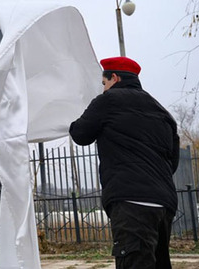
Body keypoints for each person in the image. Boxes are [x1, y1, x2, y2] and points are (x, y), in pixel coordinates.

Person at [69, 57, 179, 269]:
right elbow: (172, 161)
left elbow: (80, 134)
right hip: (164, 204)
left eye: (104, 83)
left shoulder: (108, 101)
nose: (104, 89)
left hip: (131, 203)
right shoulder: (162, 111)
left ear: (115, 78)